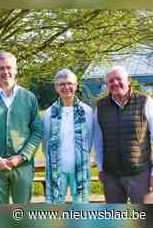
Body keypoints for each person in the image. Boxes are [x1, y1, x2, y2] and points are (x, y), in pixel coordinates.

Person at [0, 52, 43, 204]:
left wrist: (22, 156)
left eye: (9, 67)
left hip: (22, 166)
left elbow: (37, 130)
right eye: (1, 68)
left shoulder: (29, 98)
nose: (5, 72)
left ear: (16, 69)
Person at [94, 65, 153, 203]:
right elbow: (98, 141)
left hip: (140, 173)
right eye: (110, 81)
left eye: (119, 79)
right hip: (111, 175)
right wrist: (101, 168)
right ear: (107, 84)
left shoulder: (145, 101)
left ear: (128, 80)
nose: (115, 83)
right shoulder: (100, 106)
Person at [43, 69, 93, 203]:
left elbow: (90, 140)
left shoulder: (87, 111)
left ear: (76, 86)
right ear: (56, 87)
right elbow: (45, 142)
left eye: (70, 83)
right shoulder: (49, 113)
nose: (66, 87)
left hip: (80, 168)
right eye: (61, 84)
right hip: (56, 170)